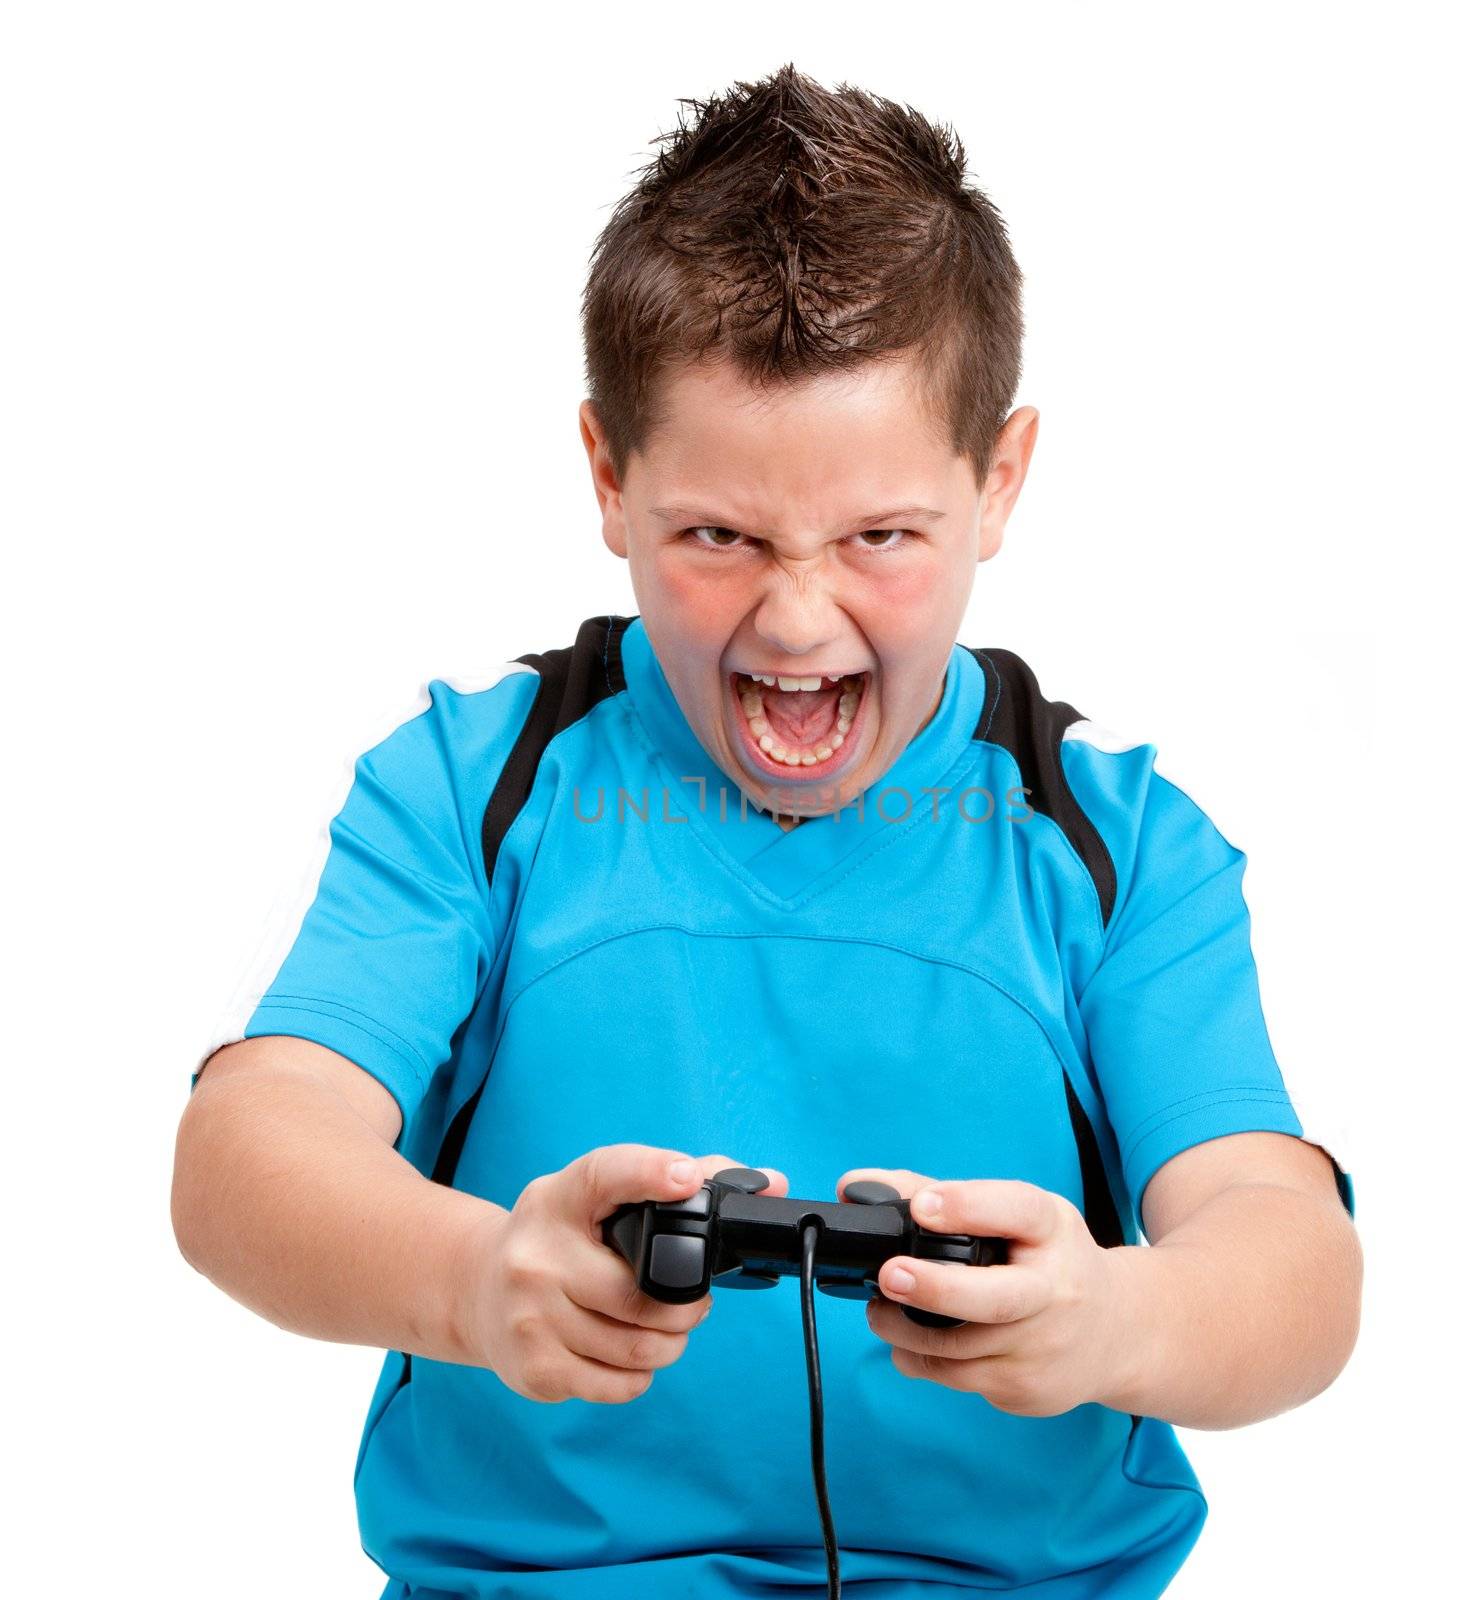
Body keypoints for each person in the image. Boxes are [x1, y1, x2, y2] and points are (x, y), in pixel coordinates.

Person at [171, 63, 1361, 1600]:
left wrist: (1113, 1323)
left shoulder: (1118, 845)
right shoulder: (474, 788)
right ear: (610, 476)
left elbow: (1293, 1260)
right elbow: (243, 1153)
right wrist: (472, 1282)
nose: (798, 618)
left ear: (998, 482)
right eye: (718, 536)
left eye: (881, 538)